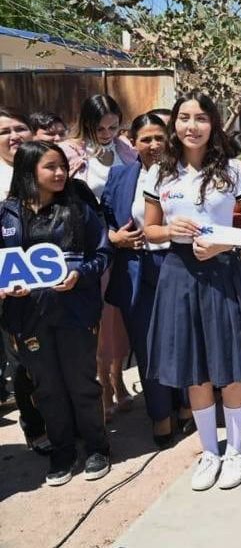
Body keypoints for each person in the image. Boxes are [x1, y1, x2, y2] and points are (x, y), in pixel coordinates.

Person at [143, 92, 241, 491]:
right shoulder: (159, 173)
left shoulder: (232, 169)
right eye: (183, 118)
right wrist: (169, 231)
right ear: (174, 125)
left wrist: (224, 244)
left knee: (229, 366)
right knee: (194, 369)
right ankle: (209, 451)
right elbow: (149, 230)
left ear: (213, 123)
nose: (191, 126)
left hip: (223, 273)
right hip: (178, 274)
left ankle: (235, 450)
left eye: (200, 118)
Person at [1, 141, 113, 486]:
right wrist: (6, 288)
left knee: (81, 383)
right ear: (28, 171)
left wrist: (82, 274)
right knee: (47, 387)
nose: (61, 173)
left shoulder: (78, 208)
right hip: (27, 317)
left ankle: (97, 448)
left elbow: (102, 251)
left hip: (74, 314)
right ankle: (63, 452)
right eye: (51, 167)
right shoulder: (6, 214)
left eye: (63, 166)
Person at [102, 112, 190, 450]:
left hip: (178, 264)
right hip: (137, 269)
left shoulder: (184, 173)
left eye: (159, 138)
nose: (154, 145)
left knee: (182, 339)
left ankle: (185, 404)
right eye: (146, 139)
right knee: (147, 345)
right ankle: (159, 413)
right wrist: (114, 237)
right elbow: (103, 219)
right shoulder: (121, 176)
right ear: (133, 141)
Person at [60, 94, 139, 420]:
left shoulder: (125, 150)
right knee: (101, 320)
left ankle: (119, 378)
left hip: (128, 244)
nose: (107, 133)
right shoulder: (72, 153)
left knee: (120, 320)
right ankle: (103, 384)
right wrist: (109, 236)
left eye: (113, 126)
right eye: (100, 127)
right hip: (94, 244)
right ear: (87, 124)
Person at [0, 108, 53, 456]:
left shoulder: (50, 173)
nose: (15, 135)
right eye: (5, 131)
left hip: (52, 290)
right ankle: (34, 425)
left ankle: (63, 422)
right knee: (22, 364)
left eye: (21, 128)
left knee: (57, 359)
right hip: (11, 294)